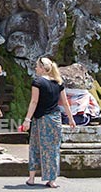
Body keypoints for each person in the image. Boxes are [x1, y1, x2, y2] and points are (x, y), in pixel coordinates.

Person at [22, 57, 76, 188]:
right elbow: (65, 103)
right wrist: (71, 118)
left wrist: (27, 119)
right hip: (55, 119)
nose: (35, 68)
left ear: (42, 68)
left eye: (37, 66)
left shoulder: (38, 82)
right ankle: (51, 180)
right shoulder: (58, 82)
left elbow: (34, 102)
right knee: (52, 149)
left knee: (35, 146)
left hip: (41, 119)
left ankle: (32, 178)